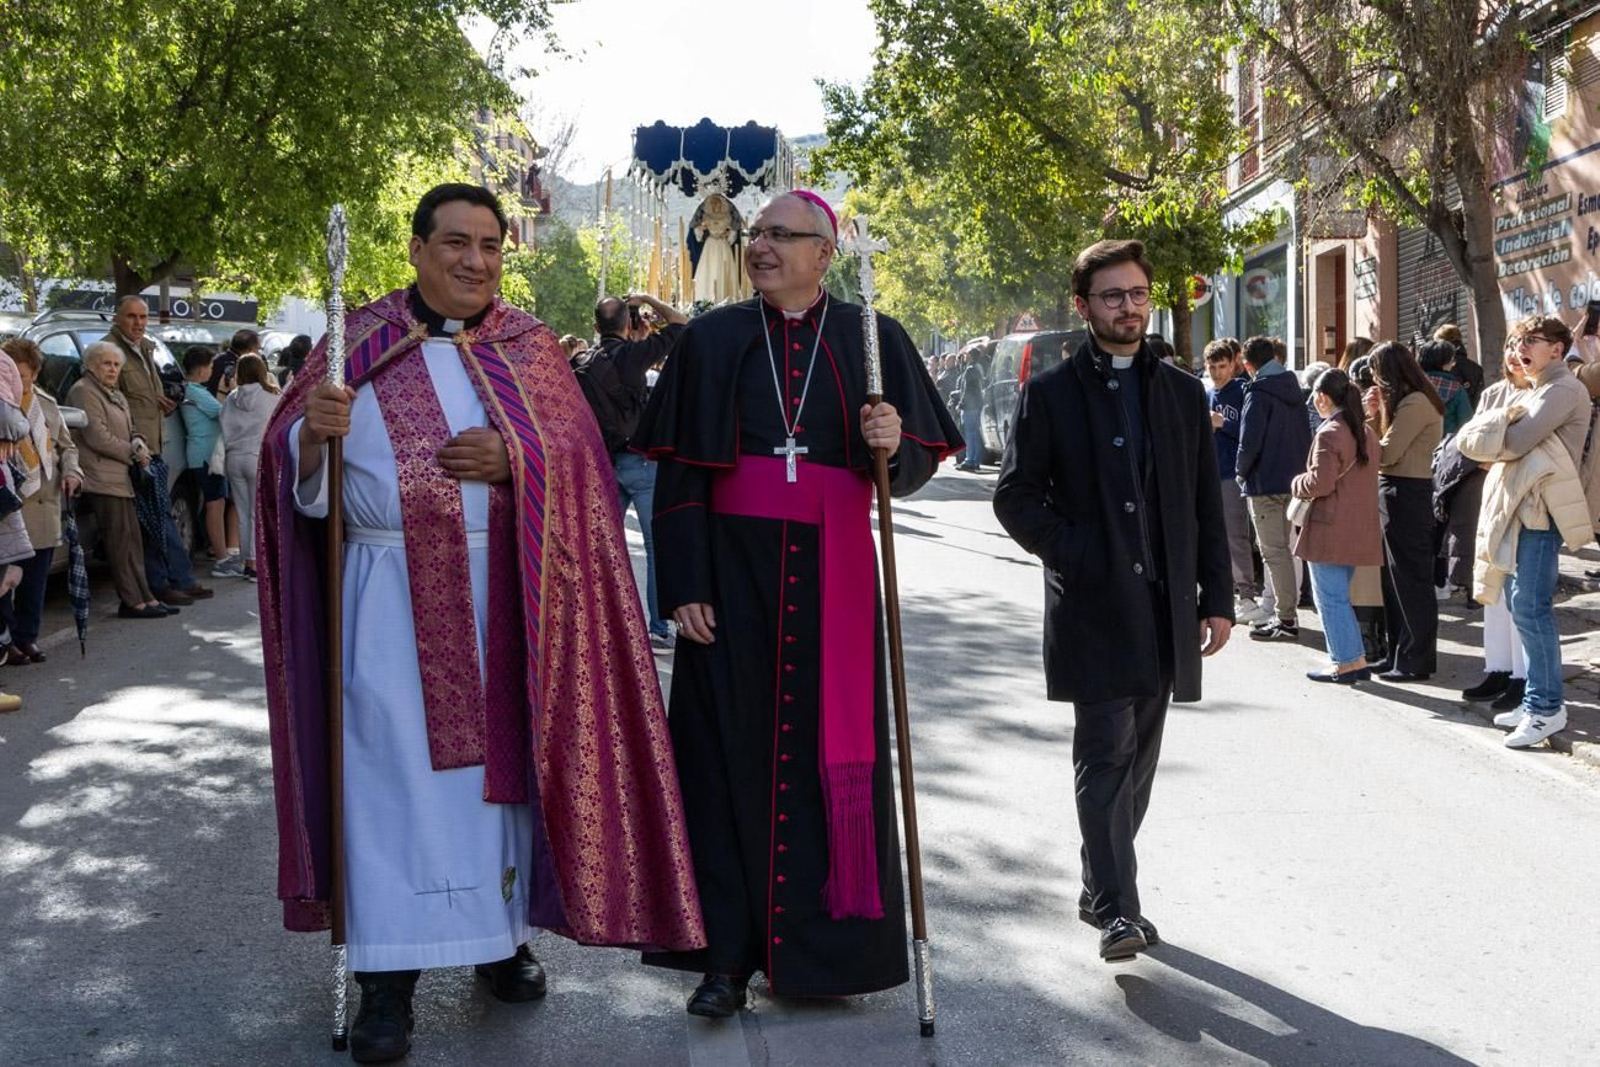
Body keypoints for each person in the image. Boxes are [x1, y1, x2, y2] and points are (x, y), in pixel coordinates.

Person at [256, 183, 704, 1063]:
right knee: (388, 783)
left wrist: (520, 456)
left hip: (508, 597)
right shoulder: (358, 340)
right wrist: (314, 434)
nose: (475, 260)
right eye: (456, 242)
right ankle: (388, 980)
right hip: (383, 597)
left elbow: (584, 466)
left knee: (502, 785)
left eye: (491, 245)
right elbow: (289, 481)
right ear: (418, 247)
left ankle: (501, 941)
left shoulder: (531, 346)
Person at [633, 190, 961, 1015]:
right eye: (758, 234)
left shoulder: (872, 340)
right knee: (721, 761)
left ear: (826, 250)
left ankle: (825, 956)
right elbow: (679, 477)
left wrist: (895, 444)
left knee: (827, 761)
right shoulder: (710, 339)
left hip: (832, 575)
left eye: (783, 235)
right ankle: (724, 960)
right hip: (729, 576)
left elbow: (915, 461)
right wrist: (685, 584)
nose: (761, 247)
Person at [993, 238, 1232, 963]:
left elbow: (1203, 506)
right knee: (1104, 754)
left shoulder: (1184, 392)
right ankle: (1120, 911)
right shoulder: (1051, 393)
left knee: (1137, 765)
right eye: (1111, 296)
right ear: (1083, 305)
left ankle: (1100, 882)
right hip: (1093, 608)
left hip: (1163, 610)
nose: (1127, 307)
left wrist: (1216, 598)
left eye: (1136, 294)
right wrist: (1082, 555)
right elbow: (1016, 497)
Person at [1459, 316, 1592, 748]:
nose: (1520, 349)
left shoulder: (1563, 389)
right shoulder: (1534, 390)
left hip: (1541, 512)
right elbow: (1475, 441)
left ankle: (1546, 708)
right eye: (1517, 341)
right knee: (1521, 606)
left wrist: (1500, 434)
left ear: (1557, 348)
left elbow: (1513, 444)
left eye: (1531, 341)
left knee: (1531, 609)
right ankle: (1538, 701)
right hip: (1522, 508)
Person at [577, 293, 688, 645]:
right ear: (628, 324)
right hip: (640, 462)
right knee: (656, 548)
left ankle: (597, 623)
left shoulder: (581, 363)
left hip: (602, 464)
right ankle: (658, 626)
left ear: (595, 327)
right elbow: (681, 324)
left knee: (599, 548)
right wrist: (646, 299)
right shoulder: (636, 356)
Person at [103, 296, 211, 607]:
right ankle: (166, 581)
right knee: (153, 519)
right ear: (117, 317)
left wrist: (163, 399)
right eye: (131, 316)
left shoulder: (145, 348)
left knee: (158, 516)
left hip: (156, 443)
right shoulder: (110, 351)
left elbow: (149, 394)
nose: (138, 323)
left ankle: (172, 580)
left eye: (143, 317)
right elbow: (113, 400)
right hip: (133, 449)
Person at [1291, 369, 1382, 682]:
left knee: (1330, 599)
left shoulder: (1330, 432)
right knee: (1340, 596)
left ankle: (1345, 661)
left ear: (1322, 397)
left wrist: (1296, 483)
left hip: (1330, 526)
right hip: (1359, 525)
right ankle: (1354, 659)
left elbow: (1320, 482)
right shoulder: (1365, 431)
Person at [67, 343, 168, 620]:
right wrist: (132, 453)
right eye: (106, 363)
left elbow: (132, 428)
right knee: (119, 543)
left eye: (115, 364)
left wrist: (139, 443)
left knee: (132, 540)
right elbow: (96, 436)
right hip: (100, 477)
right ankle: (132, 601)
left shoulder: (115, 394)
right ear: (91, 365)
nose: (112, 369)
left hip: (120, 476)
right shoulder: (83, 391)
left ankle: (145, 596)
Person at [1363, 342, 1445, 681]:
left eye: (1375, 374)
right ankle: (1399, 652)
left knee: (1411, 581)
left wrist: (1371, 418)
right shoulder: (1408, 401)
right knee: (1394, 582)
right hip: (1397, 491)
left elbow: (1387, 452)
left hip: (1408, 492)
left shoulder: (1415, 403)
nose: (1373, 381)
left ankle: (1415, 658)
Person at [1, 339, 84, 663]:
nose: (16, 382)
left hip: (46, 503)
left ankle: (27, 637)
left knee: (36, 581)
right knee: (6, 581)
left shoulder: (47, 404)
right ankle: (6, 641)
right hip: (13, 507)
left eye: (22, 375)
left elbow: (67, 446)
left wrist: (73, 472)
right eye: (10, 375)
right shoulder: (3, 405)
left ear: (35, 373)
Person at [1460, 345, 1531, 709]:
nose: (1515, 358)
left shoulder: (1539, 395)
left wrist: (1497, 449)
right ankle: (1498, 669)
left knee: (1519, 590)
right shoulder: (1492, 394)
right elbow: (1472, 445)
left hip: (1524, 499)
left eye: (1523, 350)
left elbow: (1523, 450)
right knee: (1493, 587)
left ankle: (1522, 677)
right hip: (1491, 494)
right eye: (1510, 350)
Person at [1236, 334, 1313, 641]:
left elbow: (1249, 441)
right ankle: (1287, 614)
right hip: (1293, 480)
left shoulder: (1258, 392)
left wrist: (1241, 472)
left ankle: (1286, 618)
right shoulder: (1294, 389)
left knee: (1274, 553)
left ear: (1248, 364)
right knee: (1288, 550)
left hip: (1265, 482)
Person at [1203, 339, 1262, 621]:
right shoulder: (1206, 394)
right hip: (1209, 473)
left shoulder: (1241, 391)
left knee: (1235, 535)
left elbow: (1250, 433)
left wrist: (1222, 423)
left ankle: (1247, 594)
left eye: (1221, 366)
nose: (1216, 372)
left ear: (1234, 364)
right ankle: (1223, 592)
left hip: (1232, 474)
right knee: (1213, 535)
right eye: (1212, 366)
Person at [219, 354, 280, 580]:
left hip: (234, 458)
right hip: (257, 456)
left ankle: (248, 562)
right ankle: (257, 563)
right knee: (258, 513)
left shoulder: (232, 398)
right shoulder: (272, 396)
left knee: (243, 513)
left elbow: (223, 426)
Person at [179, 347, 236, 568]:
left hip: (204, 454)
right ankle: (221, 558)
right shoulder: (195, 392)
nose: (213, 371)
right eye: (211, 367)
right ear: (202, 369)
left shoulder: (193, 390)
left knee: (215, 502)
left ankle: (221, 554)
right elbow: (224, 413)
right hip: (206, 456)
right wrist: (224, 391)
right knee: (215, 504)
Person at [1418, 339, 1473, 435]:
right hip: (1446, 446)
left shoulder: (1412, 386)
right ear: (1444, 363)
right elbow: (1467, 424)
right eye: (1452, 360)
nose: (1453, 363)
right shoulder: (1456, 389)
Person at [1433, 324, 1484, 407]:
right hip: (1472, 416)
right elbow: (1479, 401)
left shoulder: (1442, 367)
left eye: (1436, 344)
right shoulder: (1476, 368)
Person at [955, 350, 987, 471]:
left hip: (970, 406)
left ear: (970, 356)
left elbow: (968, 389)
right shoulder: (980, 367)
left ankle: (970, 460)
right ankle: (975, 459)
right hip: (977, 404)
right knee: (975, 433)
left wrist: (961, 404)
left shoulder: (970, 369)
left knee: (970, 433)